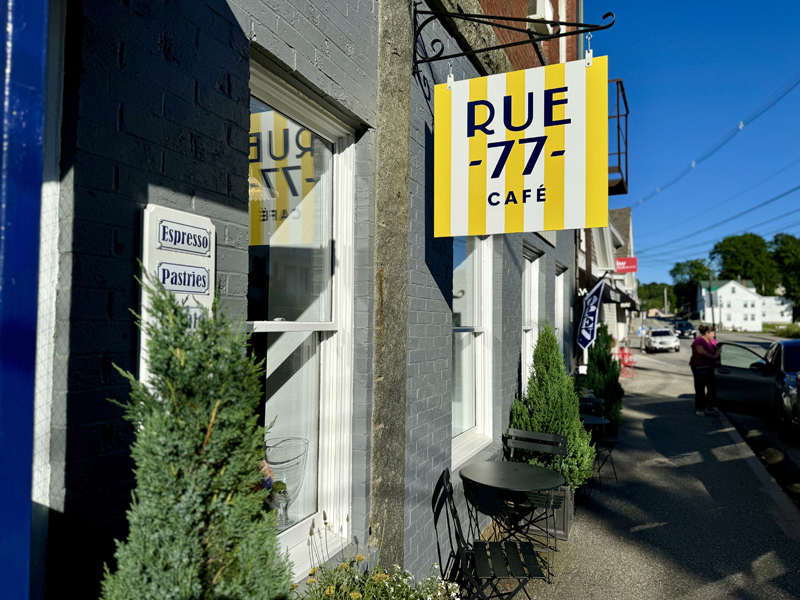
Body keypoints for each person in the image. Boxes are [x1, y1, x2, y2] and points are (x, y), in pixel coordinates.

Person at [690, 324, 721, 416]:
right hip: (699, 366)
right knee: (700, 388)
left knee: (712, 388)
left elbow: (718, 345)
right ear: (707, 333)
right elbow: (700, 351)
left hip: (709, 367)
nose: (713, 335)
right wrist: (713, 356)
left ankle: (710, 407)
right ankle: (700, 409)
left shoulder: (712, 341)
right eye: (712, 333)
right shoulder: (699, 340)